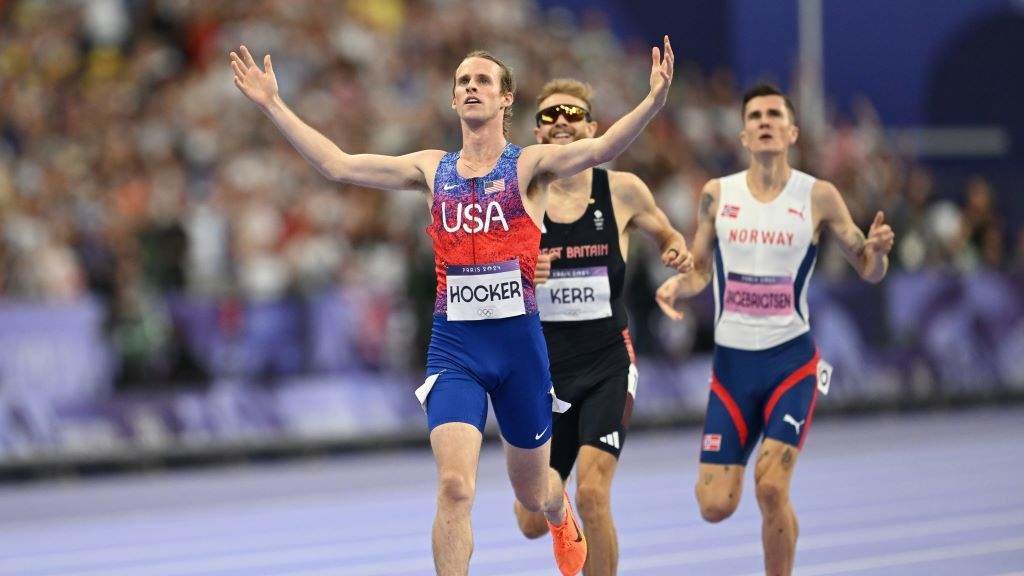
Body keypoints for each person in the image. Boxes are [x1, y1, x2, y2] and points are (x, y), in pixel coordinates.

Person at [230, 37, 675, 576]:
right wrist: (273, 104)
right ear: (452, 99)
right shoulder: (429, 169)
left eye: (483, 80)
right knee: (454, 486)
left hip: (520, 352)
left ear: (506, 99)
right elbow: (339, 166)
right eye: (463, 80)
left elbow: (599, 149)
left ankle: (561, 513)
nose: (471, 87)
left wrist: (653, 101)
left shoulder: (528, 166)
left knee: (534, 493)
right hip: (456, 348)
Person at [655, 84, 894, 576]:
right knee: (714, 505)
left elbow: (867, 268)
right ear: (743, 133)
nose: (764, 121)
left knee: (770, 487)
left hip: (791, 364)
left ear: (791, 132)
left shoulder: (819, 196)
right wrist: (679, 285)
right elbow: (699, 268)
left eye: (774, 115)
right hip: (731, 371)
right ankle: (769, 507)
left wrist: (880, 254)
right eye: (755, 115)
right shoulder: (717, 194)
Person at [511, 78, 692, 576]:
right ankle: (552, 504)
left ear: (593, 128)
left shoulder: (623, 191)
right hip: (543, 373)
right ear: (536, 133)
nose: (562, 121)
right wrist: (522, 268)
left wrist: (675, 248)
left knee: (593, 493)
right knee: (529, 519)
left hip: (607, 363)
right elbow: (479, 267)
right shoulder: (518, 197)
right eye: (550, 115)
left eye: (573, 113)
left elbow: (668, 232)